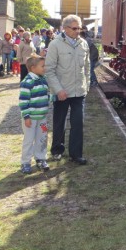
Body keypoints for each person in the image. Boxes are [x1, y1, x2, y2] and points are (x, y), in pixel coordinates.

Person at [45, 14, 90, 165]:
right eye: (75, 28)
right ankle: (57, 150)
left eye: (80, 28)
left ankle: (76, 154)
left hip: (79, 92)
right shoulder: (55, 44)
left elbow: (87, 68)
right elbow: (49, 70)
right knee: (60, 122)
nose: (78, 31)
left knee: (78, 123)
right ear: (65, 28)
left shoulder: (83, 44)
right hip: (62, 92)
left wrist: (87, 86)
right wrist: (58, 90)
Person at [19, 55, 50, 174]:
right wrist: (26, 117)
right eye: (42, 66)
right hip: (31, 118)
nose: (45, 68)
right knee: (29, 139)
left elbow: (46, 95)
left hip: (42, 117)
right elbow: (23, 102)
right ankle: (25, 162)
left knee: (42, 138)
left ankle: (41, 158)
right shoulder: (27, 82)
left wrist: (54, 97)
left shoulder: (42, 79)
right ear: (33, 68)